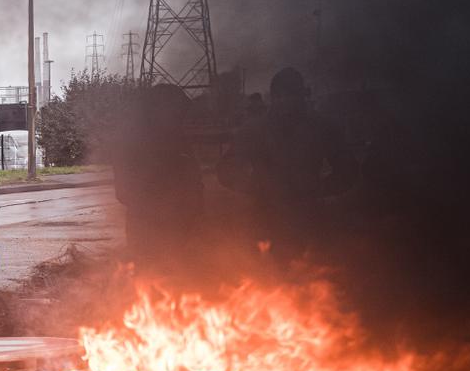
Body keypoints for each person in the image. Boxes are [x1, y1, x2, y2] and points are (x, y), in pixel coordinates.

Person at [217, 67, 356, 262]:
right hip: (264, 217)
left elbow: (348, 171)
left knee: (314, 279)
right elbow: (226, 169)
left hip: (309, 219)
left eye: (292, 94)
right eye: (281, 95)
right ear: (274, 97)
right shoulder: (253, 130)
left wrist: (318, 189)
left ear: (302, 95)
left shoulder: (322, 128)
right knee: (263, 280)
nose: (287, 101)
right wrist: (257, 188)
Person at [112, 84, 204, 267]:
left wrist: (192, 208)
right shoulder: (133, 143)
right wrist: (157, 208)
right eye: (175, 111)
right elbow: (124, 191)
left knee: (182, 278)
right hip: (147, 229)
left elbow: (194, 180)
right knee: (151, 276)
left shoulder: (179, 140)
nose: (179, 117)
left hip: (183, 227)